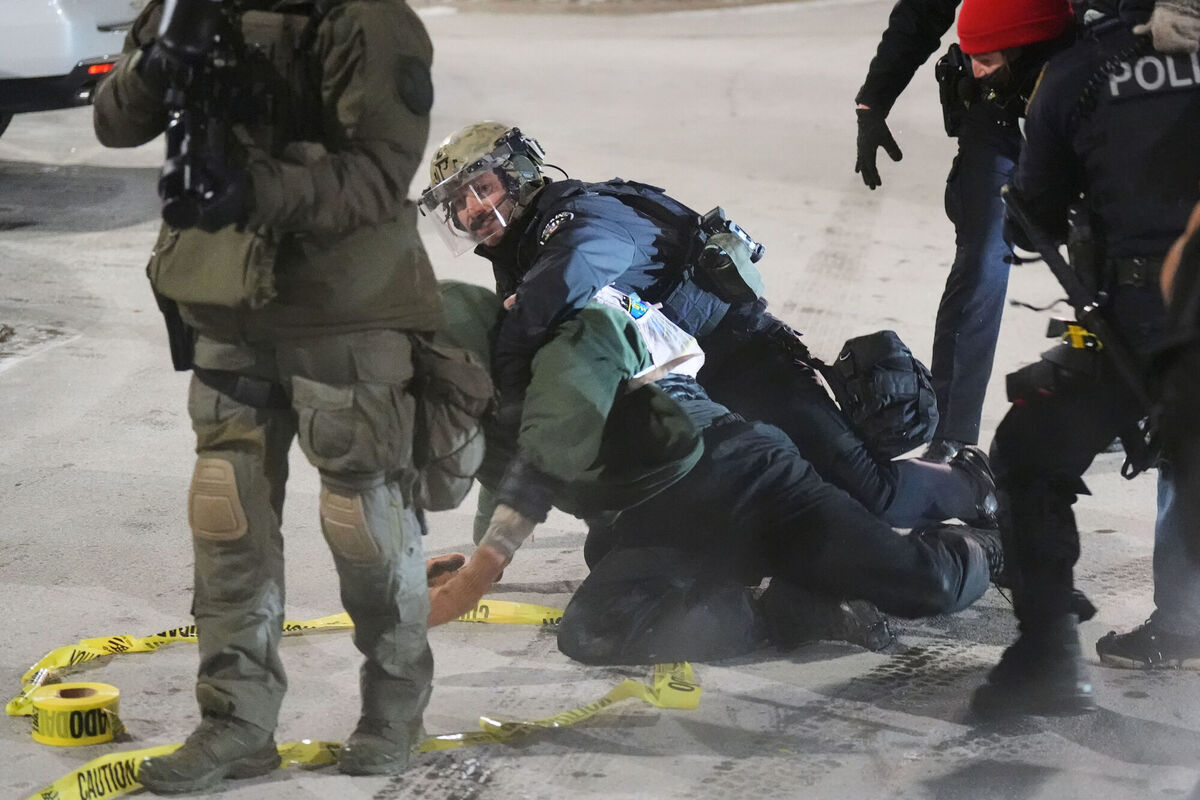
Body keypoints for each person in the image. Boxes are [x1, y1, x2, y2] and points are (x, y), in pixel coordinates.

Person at [92, 0, 439, 790]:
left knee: (362, 523)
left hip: (343, 311)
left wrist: (254, 189)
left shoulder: (365, 18)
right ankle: (236, 724)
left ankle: (392, 711)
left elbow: (381, 171)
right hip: (224, 305)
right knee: (228, 520)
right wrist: (156, 67)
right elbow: (114, 123)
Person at [418, 121, 998, 535]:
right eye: (457, 204)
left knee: (871, 493)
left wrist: (514, 340)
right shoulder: (517, 254)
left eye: (481, 189)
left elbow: (569, 276)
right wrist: (487, 544)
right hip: (683, 393)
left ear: (518, 174)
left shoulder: (581, 215)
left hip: (743, 361)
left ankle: (972, 485)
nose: (471, 211)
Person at [424, 281, 1003, 665]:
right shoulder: (486, 395)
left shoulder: (574, 333)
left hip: (747, 479)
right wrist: (476, 557)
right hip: (661, 517)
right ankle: (793, 609)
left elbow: (552, 436)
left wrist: (484, 567)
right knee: (593, 629)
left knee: (925, 584)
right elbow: (500, 466)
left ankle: (998, 546)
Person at [969, 0, 1200, 717]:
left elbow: (1031, 216)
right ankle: (1183, 625)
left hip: (1146, 319)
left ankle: (1047, 660)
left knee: (1026, 452)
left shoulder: (1079, 72)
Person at [855, 0, 1075, 461]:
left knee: (1114, 252)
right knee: (982, 257)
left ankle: (1128, 395)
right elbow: (921, 11)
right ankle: (951, 435)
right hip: (1000, 108)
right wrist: (874, 99)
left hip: (1084, 93)